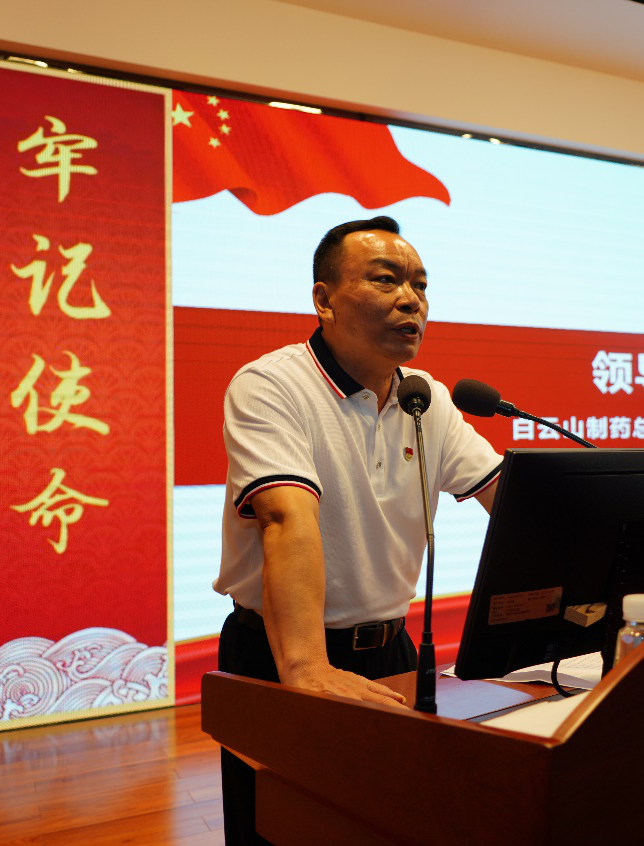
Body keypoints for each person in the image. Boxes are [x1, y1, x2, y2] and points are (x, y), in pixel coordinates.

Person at [213, 216, 502, 845]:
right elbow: (286, 516)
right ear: (324, 300)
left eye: (420, 285)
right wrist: (305, 667)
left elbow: (507, 501)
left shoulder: (427, 399)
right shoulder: (271, 385)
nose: (411, 300)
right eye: (386, 280)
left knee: (388, 825)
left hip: (392, 652)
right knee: (281, 828)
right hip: (281, 654)